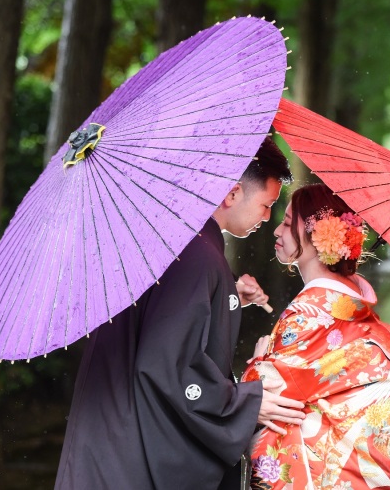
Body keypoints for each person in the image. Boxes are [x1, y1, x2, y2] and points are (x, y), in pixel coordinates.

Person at [55, 137, 306, 490]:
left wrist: (225, 294)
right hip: (127, 449)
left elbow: (160, 318)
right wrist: (245, 405)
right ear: (232, 194)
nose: (268, 218)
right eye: (266, 205)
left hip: (110, 428)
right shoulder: (196, 255)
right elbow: (167, 366)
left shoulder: (176, 237)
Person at [241, 184, 390, 490]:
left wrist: (259, 359)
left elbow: (259, 391)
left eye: (287, 223)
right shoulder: (363, 315)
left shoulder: (312, 314)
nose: (276, 231)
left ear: (316, 237)